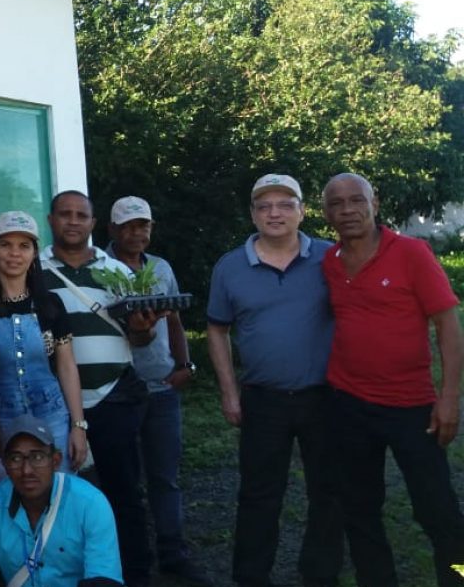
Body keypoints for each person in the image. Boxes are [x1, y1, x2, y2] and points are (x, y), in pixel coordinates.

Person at [321, 172, 464, 586]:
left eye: (355, 200)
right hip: (348, 404)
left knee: (440, 512)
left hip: (411, 405)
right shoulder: (329, 262)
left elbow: (448, 324)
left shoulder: (412, 253)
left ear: (375, 202)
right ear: (327, 213)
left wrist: (450, 398)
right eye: (336, 203)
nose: (347, 210)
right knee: (360, 511)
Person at [206, 174, 342, 587]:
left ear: (303, 210)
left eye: (285, 204)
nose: (274, 213)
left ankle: (320, 574)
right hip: (262, 399)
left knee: (329, 492)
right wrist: (230, 393)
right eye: (264, 206)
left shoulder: (331, 258)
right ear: (252, 214)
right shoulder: (230, 266)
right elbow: (216, 329)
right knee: (258, 496)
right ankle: (251, 577)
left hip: (325, 396)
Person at [39, 191, 157, 587]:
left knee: (124, 494)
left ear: (93, 224)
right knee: (60, 498)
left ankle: (134, 575)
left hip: (113, 398)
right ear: (51, 219)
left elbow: (138, 340)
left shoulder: (118, 271)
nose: (73, 222)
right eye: (65, 214)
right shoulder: (33, 270)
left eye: (82, 216)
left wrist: (143, 329)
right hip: (55, 403)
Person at [106, 196, 210, 586]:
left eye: (144, 225)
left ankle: (173, 552)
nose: (138, 233)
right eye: (129, 226)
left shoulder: (161, 267)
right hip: (118, 388)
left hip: (163, 386)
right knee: (124, 478)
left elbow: (176, 320)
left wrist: (185, 366)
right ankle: (131, 555)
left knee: (165, 476)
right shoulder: (102, 269)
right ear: (113, 230)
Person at [0, 416, 123, 587]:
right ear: (5, 465)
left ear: (56, 461)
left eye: (37, 457)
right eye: (16, 459)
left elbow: (104, 580)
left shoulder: (91, 504)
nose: (27, 470)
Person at [0, 211, 86, 465]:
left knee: (57, 490)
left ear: (34, 254)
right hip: (1, 419)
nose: (15, 253)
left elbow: (66, 365)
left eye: (24, 246)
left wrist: (78, 425)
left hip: (52, 415)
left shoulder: (50, 304)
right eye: (6, 245)